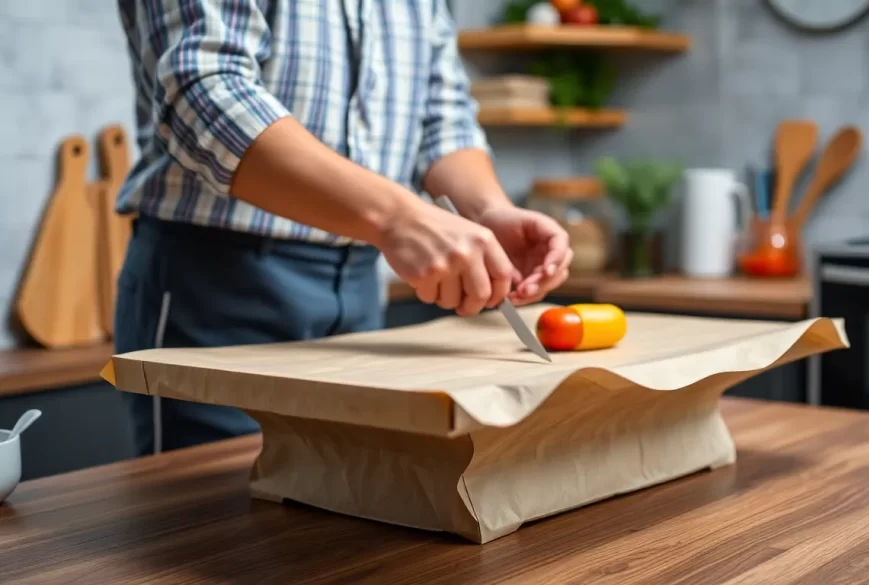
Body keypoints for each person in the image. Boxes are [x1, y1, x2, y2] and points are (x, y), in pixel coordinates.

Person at [113, 0, 573, 456]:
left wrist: (488, 210)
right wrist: (397, 217)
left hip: (358, 288)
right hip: (213, 288)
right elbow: (203, 92)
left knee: (356, 504)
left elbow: (442, 116)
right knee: (216, 515)